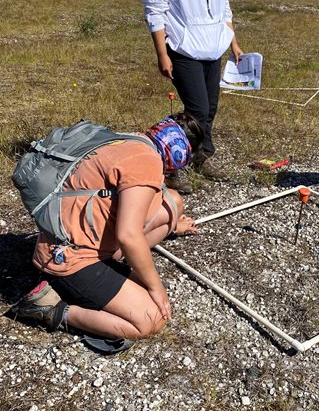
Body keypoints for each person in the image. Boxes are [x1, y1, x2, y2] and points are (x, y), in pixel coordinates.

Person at [12, 113, 203, 351]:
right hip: (71, 261)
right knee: (152, 319)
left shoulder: (132, 141)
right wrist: (156, 288)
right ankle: (49, 308)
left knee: (172, 202)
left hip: (68, 240)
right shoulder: (147, 163)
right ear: (180, 155)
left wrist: (173, 225)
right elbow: (128, 235)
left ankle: (111, 264)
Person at [140, 0, 243, 193]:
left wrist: (233, 43)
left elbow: (224, 8)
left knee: (209, 108)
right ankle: (174, 165)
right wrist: (162, 54)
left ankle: (202, 154)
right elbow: (155, 12)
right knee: (196, 109)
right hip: (183, 49)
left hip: (213, 46)